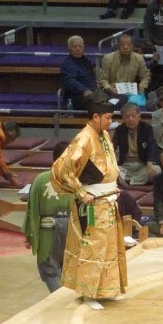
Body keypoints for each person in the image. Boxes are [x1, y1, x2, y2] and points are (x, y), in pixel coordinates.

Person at [51, 102, 127, 309]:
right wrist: (80, 192)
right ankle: (88, 292)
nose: (111, 121)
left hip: (108, 200)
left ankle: (104, 289)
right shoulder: (83, 139)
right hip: (93, 202)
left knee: (109, 246)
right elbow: (64, 169)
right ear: (96, 116)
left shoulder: (104, 135)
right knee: (93, 247)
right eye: (108, 117)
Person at [22, 139, 72, 292]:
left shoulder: (40, 180)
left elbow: (33, 211)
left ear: (53, 159)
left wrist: (30, 235)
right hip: (72, 231)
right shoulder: (77, 180)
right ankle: (67, 300)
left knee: (50, 270)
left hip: (47, 232)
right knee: (70, 269)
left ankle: (61, 302)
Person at [111, 102, 160, 186]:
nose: (130, 119)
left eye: (133, 116)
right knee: (112, 172)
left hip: (142, 164)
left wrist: (149, 163)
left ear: (139, 116)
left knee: (156, 171)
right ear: (123, 118)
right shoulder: (120, 129)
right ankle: (136, 181)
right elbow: (112, 147)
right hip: (126, 165)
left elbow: (152, 146)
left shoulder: (146, 128)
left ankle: (128, 182)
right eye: (127, 117)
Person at [97, 32, 149, 104]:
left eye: (129, 45)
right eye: (122, 45)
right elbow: (103, 79)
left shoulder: (139, 58)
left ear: (133, 46)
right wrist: (110, 89)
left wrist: (141, 88)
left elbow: (145, 77)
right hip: (112, 93)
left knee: (140, 103)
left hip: (131, 93)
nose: (126, 47)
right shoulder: (108, 58)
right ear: (118, 46)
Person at [59, 36, 97, 111]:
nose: (78, 49)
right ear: (69, 49)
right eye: (74, 47)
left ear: (83, 49)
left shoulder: (87, 62)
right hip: (76, 98)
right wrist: (84, 90)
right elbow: (69, 81)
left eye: (80, 46)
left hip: (91, 95)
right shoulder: (67, 64)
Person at [0, 119, 20, 187]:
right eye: (11, 140)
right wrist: (11, 179)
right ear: (8, 134)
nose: (7, 144)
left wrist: (5, 172)